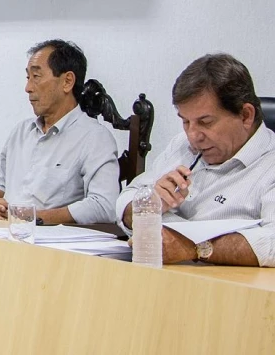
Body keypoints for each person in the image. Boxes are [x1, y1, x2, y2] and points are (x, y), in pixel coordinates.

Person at [117, 54, 275, 267]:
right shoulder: (182, 145)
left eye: (205, 122)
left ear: (246, 115)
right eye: (185, 122)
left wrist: (194, 248)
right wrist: (150, 203)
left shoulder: (270, 165)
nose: (193, 135)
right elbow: (126, 200)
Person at [0, 40, 119, 224]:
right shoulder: (21, 132)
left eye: (36, 76)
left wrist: (34, 218)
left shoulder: (94, 138)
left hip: (49, 243)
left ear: (67, 81)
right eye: (27, 77)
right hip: (3, 235)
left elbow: (104, 205)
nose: (28, 88)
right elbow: (0, 185)